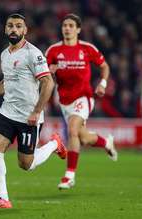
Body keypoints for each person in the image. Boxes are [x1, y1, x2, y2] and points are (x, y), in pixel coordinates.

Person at [0, 13, 67, 209]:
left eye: (18, 26)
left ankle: (54, 144)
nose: (14, 29)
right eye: (10, 26)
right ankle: (3, 199)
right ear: (5, 29)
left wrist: (36, 111)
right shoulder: (4, 54)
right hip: (8, 111)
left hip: (29, 117)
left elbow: (48, 82)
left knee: (26, 164)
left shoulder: (33, 54)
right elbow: (8, 82)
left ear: (25, 31)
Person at [45, 14, 118, 190]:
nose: (67, 28)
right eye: (64, 25)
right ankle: (106, 143)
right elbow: (42, 75)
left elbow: (104, 66)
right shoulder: (53, 51)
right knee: (82, 137)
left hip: (84, 97)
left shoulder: (87, 48)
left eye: (71, 25)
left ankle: (69, 176)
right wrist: (50, 70)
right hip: (64, 100)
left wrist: (102, 83)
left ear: (78, 29)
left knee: (72, 130)